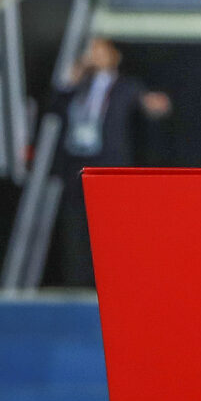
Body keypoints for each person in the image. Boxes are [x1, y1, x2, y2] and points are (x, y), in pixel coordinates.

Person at [48, 36, 171, 288]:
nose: (94, 55)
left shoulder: (125, 86)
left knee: (107, 224)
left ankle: (107, 279)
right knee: (74, 224)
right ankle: (76, 280)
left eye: (99, 50)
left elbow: (145, 103)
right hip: (76, 163)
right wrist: (71, 80)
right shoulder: (79, 85)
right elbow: (53, 107)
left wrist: (153, 104)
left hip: (107, 164)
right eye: (90, 51)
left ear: (113, 55)